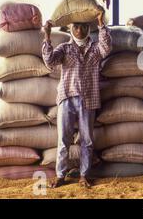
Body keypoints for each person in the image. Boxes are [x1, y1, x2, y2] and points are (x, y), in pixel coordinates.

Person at [42, 13, 112, 189]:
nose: (79, 30)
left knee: (87, 140)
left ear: (89, 28)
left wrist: (101, 24)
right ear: (71, 29)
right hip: (66, 97)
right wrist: (47, 36)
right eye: (76, 27)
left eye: (83, 26)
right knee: (64, 139)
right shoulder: (65, 48)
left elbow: (107, 48)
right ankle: (60, 175)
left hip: (88, 99)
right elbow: (49, 61)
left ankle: (84, 175)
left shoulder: (95, 48)